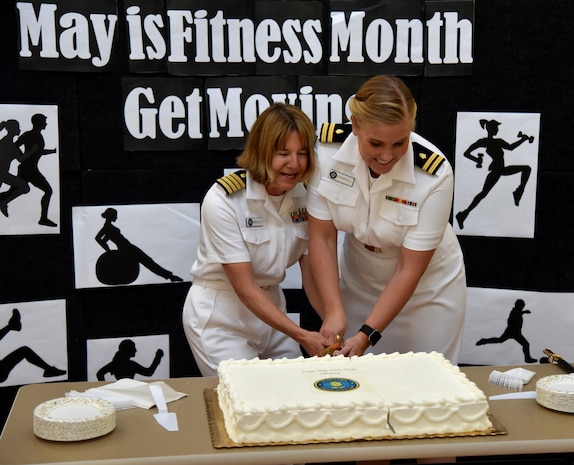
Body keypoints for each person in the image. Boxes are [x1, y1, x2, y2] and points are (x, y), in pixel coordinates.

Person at [307, 75, 467, 364]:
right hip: (359, 277)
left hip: (427, 288)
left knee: (428, 384)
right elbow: (321, 236)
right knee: (360, 384)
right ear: (354, 125)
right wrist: (333, 310)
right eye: (376, 143)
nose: (386, 156)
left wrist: (367, 333)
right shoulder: (327, 151)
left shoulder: (434, 173)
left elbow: (409, 269)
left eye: (399, 143)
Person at [182, 102, 329, 376]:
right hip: (222, 317)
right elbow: (245, 287)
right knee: (246, 404)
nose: (294, 164)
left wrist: (330, 321)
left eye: (302, 153)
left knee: (293, 397)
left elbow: (312, 274)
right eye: (283, 153)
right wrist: (302, 335)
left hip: (274, 313)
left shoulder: (307, 195)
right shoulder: (224, 200)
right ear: (262, 151)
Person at [96, 339, 164, 380]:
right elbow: (148, 372)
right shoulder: (130, 365)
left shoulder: (115, 364)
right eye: (133, 348)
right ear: (127, 350)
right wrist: (158, 357)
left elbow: (100, 374)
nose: (135, 350)